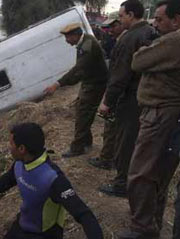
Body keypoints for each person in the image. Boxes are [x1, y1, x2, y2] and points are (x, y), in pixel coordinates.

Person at [0, 122, 103, 239]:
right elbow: (3, 183)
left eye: (11, 143)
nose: (8, 147)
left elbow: (84, 214)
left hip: (44, 234)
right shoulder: (20, 164)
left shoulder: (53, 178)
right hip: (22, 225)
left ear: (22, 148)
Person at [116, 1, 180, 238]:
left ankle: (143, 228)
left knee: (141, 172)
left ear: (177, 20)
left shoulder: (175, 40)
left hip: (160, 113)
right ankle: (152, 223)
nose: (155, 23)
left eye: (161, 19)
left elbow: (138, 61)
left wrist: (147, 53)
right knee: (158, 173)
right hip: (166, 114)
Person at [98, 0, 156, 198]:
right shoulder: (149, 32)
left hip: (130, 98)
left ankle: (122, 183)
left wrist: (107, 101)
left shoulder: (130, 37)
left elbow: (120, 75)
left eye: (121, 16)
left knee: (125, 141)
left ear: (131, 15)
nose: (120, 20)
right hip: (144, 96)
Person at [44, 23, 108, 158]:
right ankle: (86, 141)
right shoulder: (85, 41)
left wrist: (57, 84)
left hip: (95, 84)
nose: (66, 41)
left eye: (67, 38)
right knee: (82, 110)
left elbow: (78, 69)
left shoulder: (87, 45)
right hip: (90, 82)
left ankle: (77, 147)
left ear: (74, 35)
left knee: (83, 114)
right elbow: (81, 71)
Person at [88, 18, 125, 170]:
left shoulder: (124, 42)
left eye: (113, 26)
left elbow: (119, 74)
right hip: (119, 91)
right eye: (108, 28)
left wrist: (108, 100)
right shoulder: (118, 40)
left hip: (118, 93)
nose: (110, 30)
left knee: (110, 128)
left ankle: (106, 159)